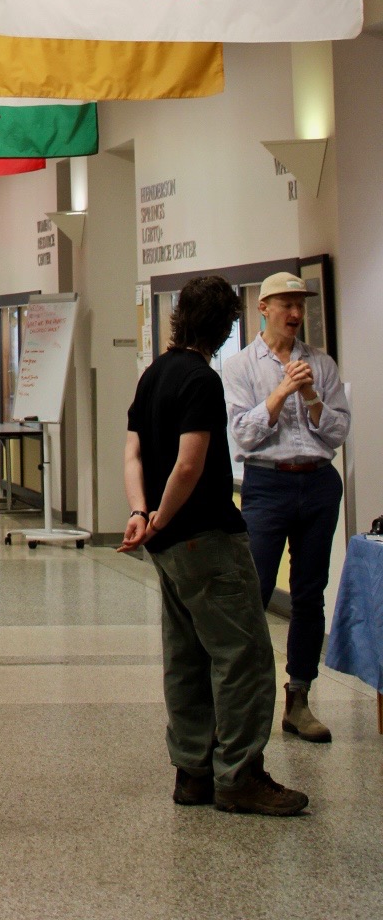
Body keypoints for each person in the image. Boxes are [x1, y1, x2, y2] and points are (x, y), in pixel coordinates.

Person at [123, 274, 308, 817]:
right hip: (206, 537)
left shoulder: (153, 374)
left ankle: (193, 773)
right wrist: (163, 515)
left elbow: (133, 452)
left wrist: (143, 515)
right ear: (226, 326)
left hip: (170, 546)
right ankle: (240, 775)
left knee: (185, 657)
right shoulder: (202, 380)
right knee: (243, 656)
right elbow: (189, 462)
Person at [223, 270, 351, 743]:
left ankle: (299, 699)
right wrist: (279, 393)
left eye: (301, 305)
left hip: (318, 484)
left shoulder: (322, 363)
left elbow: (337, 432)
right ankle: (246, 700)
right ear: (263, 307)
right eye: (287, 305)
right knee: (252, 592)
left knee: (308, 594)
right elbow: (242, 436)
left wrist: (312, 396)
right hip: (267, 486)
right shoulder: (239, 367)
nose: (296, 314)